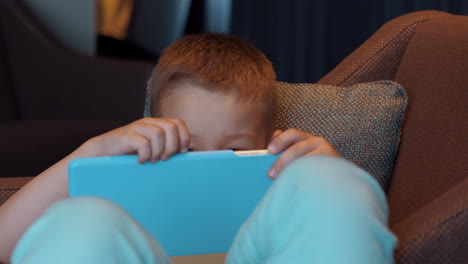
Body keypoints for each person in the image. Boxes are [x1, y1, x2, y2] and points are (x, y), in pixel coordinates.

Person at [0, 33, 396, 264]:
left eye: (234, 149)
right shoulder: (121, 200)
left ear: (270, 140)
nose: (207, 168)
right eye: (186, 151)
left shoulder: (284, 188)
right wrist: (88, 154)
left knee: (332, 183)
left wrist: (328, 172)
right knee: (82, 219)